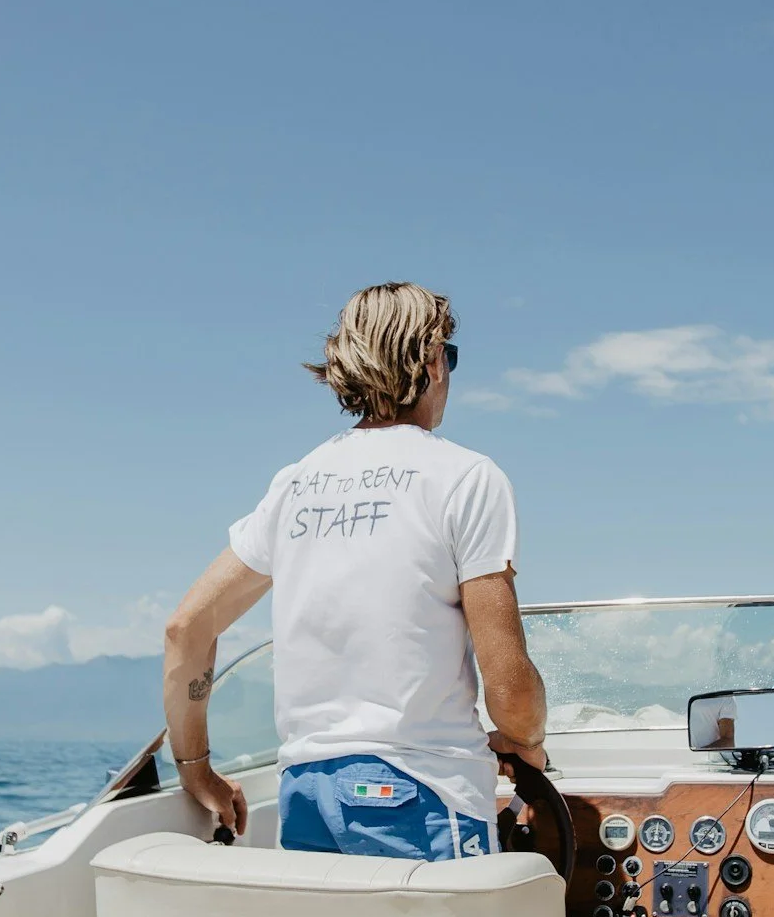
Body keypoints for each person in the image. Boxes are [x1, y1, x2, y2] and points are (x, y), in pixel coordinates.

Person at [161, 282, 548, 858]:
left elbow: (185, 630)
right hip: (422, 792)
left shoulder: (295, 483)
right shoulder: (466, 478)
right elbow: (509, 687)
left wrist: (195, 768)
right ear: (433, 360)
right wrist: (524, 739)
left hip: (307, 793)